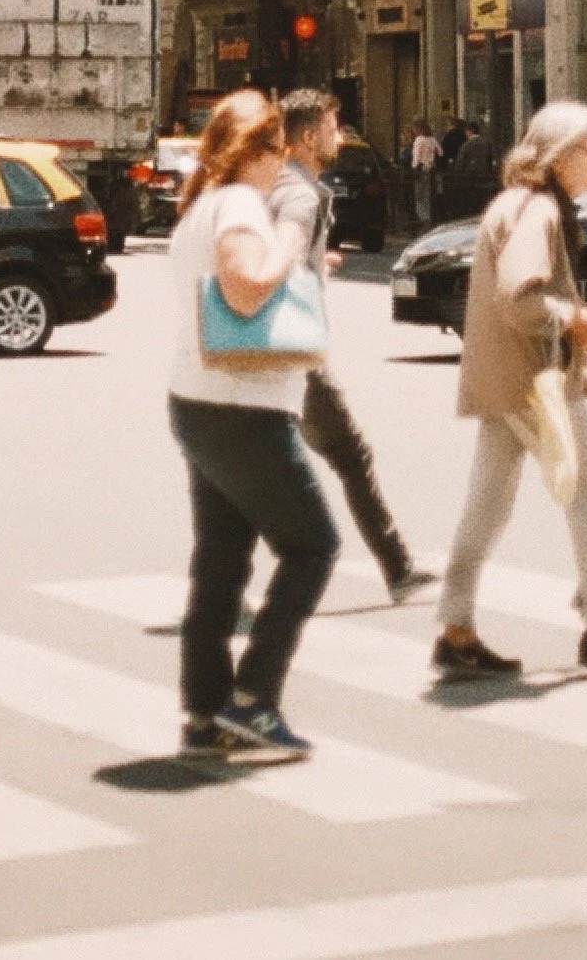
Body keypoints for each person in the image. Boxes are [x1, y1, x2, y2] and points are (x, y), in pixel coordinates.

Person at [431, 100, 587, 682]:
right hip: (533, 386)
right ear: (560, 156)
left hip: (511, 382)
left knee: (487, 504)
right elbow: (521, 299)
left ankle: (456, 628)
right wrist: (575, 317)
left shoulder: (520, 205)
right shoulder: (537, 210)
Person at [167, 90, 338, 761]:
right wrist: (293, 243)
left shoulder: (201, 205)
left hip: (199, 400)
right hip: (243, 408)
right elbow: (244, 285)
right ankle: (254, 699)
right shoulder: (240, 201)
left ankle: (206, 711)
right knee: (314, 545)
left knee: (220, 563)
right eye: (279, 150)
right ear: (266, 148)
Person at [269, 91, 432, 607]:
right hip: (296, 349)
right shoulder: (300, 194)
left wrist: (320, 263)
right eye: (333, 127)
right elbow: (281, 256)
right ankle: (398, 568)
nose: (339, 136)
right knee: (351, 456)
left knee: (260, 466)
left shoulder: (274, 184)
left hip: (268, 351)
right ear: (308, 136)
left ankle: (221, 584)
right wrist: (297, 272)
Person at [407, 120, 438, 229]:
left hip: (419, 169)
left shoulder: (419, 140)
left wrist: (415, 168)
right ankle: (427, 217)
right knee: (426, 196)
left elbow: (416, 157)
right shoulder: (432, 139)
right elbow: (441, 152)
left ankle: (423, 219)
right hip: (429, 169)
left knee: (419, 197)